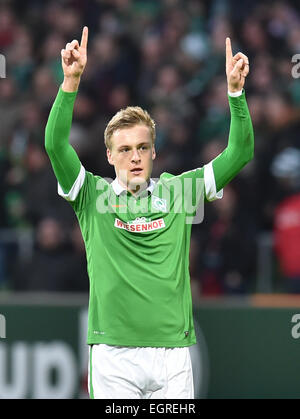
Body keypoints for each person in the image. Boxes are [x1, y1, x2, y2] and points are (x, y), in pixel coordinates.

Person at [45, 26, 253, 399]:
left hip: (173, 354)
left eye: (143, 147)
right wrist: (70, 82)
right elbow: (56, 144)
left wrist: (236, 93)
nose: (135, 156)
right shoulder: (90, 195)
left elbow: (239, 153)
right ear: (109, 156)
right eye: (124, 149)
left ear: (154, 152)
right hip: (114, 355)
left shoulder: (180, 192)